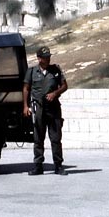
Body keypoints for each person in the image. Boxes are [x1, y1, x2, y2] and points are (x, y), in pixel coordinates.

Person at [23, 46, 69, 176]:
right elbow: (26, 88)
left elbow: (65, 85)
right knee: (38, 139)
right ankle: (38, 166)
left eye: (49, 57)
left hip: (53, 109)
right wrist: (25, 106)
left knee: (55, 139)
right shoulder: (32, 72)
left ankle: (58, 166)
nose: (48, 59)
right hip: (39, 109)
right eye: (45, 57)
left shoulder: (55, 70)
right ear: (39, 58)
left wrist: (55, 93)